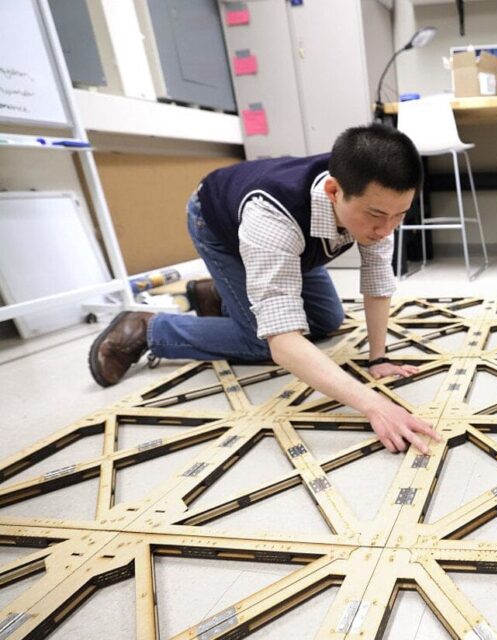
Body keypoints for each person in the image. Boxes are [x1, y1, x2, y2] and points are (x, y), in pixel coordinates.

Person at [88, 124, 440, 455]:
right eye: (377, 215)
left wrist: (379, 358)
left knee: (327, 319)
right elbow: (282, 343)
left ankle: (219, 294)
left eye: (400, 215)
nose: (386, 229)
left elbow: (378, 279)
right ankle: (148, 329)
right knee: (260, 339)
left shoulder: (379, 203)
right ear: (334, 191)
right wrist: (374, 405)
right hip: (217, 223)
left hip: (293, 244)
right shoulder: (271, 219)